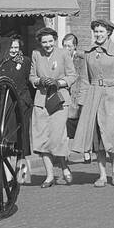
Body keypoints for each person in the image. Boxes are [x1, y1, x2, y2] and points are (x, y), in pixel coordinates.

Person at [70, 19, 114, 186]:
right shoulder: (89, 52)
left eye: (101, 31)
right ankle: (101, 174)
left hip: (113, 96)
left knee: (111, 134)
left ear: (108, 32)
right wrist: (81, 103)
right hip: (93, 97)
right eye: (96, 32)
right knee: (97, 137)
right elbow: (84, 79)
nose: (98, 35)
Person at [29, 27, 75, 186]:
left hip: (59, 100)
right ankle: (49, 176)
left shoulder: (63, 53)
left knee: (57, 138)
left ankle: (63, 165)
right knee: (41, 139)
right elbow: (32, 76)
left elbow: (72, 75)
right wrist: (39, 81)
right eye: (44, 42)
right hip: (41, 101)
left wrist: (58, 82)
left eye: (50, 41)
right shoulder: (36, 54)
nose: (48, 45)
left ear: (55, 41)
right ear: (40, 43)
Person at [3, 36, 33, 174]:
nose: (14, 50)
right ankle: (8, 175)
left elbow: (29, 81)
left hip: (22, 102)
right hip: (6, 103)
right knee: (7, 138)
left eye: (16, 47)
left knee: (22, 137)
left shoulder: (25, 61)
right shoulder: (1, 62)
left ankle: (22, 174)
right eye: (11, 48)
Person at [63, 33, 87, 162]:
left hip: (80, 94)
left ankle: (86, 151)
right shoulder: (61, 58)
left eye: (69, 46)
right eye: (65, 45)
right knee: (66, 124)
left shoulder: (82, 59)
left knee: (82, 123)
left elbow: (85, 77)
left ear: (75, 46)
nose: (67, 48)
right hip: (66, 96)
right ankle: (66, 153)